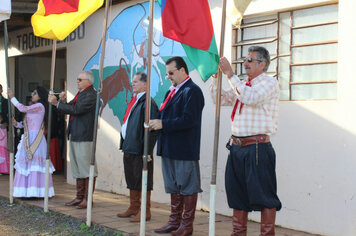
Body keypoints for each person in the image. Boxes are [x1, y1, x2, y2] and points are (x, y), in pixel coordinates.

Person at [214, 46, 282, 236]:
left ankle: (266, 233)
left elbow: (250, 98)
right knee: (237, 195)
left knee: (265, 196)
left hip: (257, 148)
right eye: (245, 59)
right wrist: (216, 79)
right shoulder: (243, 85)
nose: (245, 63)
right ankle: (238, 233)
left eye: (250, 60)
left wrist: (230, 74)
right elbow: (219, 99)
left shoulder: (269, 83)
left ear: (262, 64)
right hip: (237, 148)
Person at [149, 56, 205, 236]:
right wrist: (156, 122)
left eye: (171, 73)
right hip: (169, 147)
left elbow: (190, 120)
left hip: (184, 149)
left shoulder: (193, 91)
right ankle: (174, 221)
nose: (169, 77)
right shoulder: (170, 92)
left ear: (182, 70)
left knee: (188, 187)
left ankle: (187, 225)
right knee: (173, 187)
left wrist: (163, 124)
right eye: (167, 74)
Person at [48, 70, 97, 209]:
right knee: (77, 167)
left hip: (84, 135)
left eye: (80, 79)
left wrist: (57, 103)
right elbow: (69, 107)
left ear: (88, 81)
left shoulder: (91, 94)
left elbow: (77, 110)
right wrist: (62, 102)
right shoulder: (82, 93)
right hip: (76, 134)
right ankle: (79, 197)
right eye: (77, 79)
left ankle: (87, 199)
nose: (77, 81)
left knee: (86, 168)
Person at [117, 72, 158, 222]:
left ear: (145, 84)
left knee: (143, 180)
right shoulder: (135, 100)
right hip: (129, 146)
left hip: (140, 148)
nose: (132, 84)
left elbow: (152, 130)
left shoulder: (148, 103)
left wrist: (147, 151)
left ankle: (145, 211)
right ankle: (134, 207)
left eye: (136, 82)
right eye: (132, 81)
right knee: (132, 178)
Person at [8, 87, 55, 198]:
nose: (32, 94)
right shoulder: (34, 107)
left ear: (40, 95)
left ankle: (37, 192)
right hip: (28, 137)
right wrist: (16, 124)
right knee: (27, 165)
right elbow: (27, 125)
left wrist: (12, 97)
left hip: (36, 139)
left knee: (34, 164)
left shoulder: (40, 106)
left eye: (34, 93)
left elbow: (22, 108)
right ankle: (26, 191)